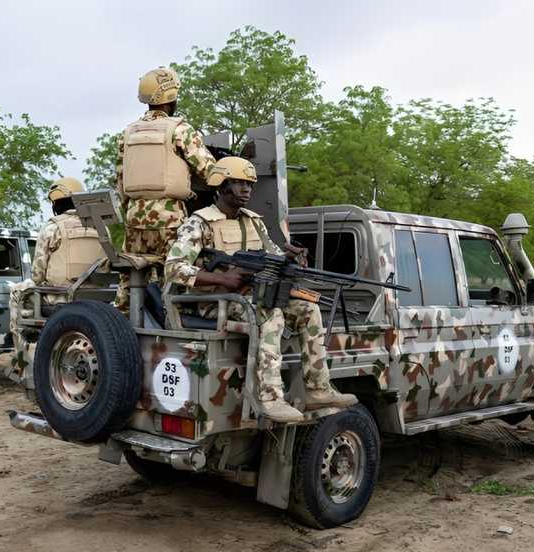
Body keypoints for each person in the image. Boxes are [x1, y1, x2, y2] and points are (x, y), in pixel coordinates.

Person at [164, 157, 357, 422]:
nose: (246, 190)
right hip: (213, 300)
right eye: (239, 183)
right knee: (270, 314)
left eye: (250, 184)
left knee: (308, 309)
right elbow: (173, 267)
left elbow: (273, 255)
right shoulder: (200, 223)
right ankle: (270, 398)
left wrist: (291, 258)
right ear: (221, 186)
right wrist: (222, 279)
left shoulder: (254, 222)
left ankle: (317, 389)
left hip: (250, 294)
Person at [114, 66, 217, 311]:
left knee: (129, 280)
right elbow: (209, 172)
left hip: (134, 220)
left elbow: (120, 182)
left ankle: (118, 326)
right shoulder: (180, 129)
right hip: (169, 218)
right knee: (174, 277)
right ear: (171, 97)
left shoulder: (127, 133)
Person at [6, 177, 103, 381]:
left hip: (60, 298)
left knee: (17, 291)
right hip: (97, 300)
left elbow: (37, 275)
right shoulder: (100, 227)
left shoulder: (53, 228)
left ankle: (20, 362)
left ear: (56, 204)